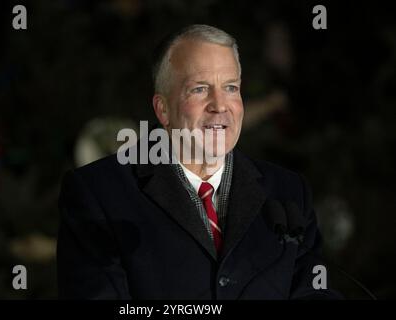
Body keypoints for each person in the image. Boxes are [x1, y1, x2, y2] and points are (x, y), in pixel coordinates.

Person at [57, 24, 341, 299]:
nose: (219, 105)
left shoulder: (288, 193)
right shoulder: (99, 194)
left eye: (230, 87)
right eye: (199, 89)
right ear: (163, 109)